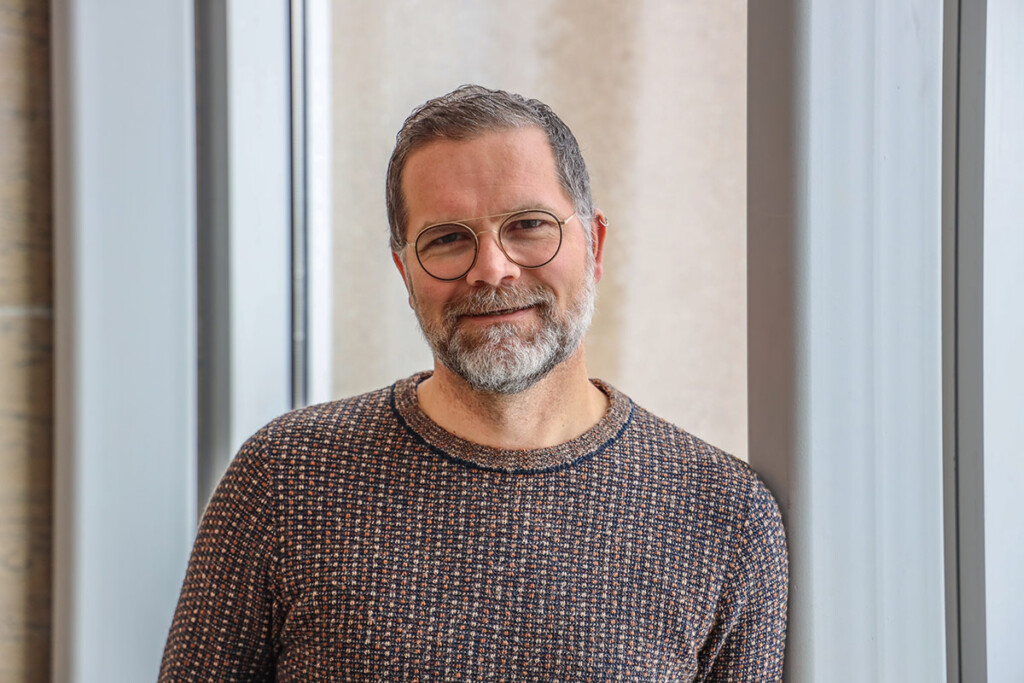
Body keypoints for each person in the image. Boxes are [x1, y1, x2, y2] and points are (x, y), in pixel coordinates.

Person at [160, 85, 788, 681]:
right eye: (448, 239)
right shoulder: (286, 480)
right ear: (406, 273)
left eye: (529, 226)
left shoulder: (725, 516)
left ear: (593, 244)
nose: (491, 269)